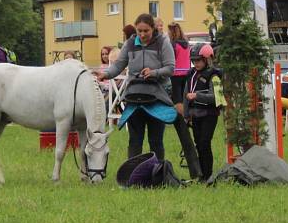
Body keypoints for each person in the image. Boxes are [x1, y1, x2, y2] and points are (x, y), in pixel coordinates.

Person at [94, 13, 176, 160]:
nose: (143, 34)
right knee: (134, 141)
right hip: (134, 97)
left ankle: (157, 174)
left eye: (146, 31)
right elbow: (119, 65)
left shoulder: (163, 42)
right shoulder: (130, 44)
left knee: (155, 141)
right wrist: (105, 74)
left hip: (157, 98)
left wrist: (154, 72)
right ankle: (132, 176)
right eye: (139, 31)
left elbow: (170, 68)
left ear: (153, 28)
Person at [184, 43, 225, 180]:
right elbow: (186, 95)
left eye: (199, 60)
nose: (196, 63)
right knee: (198, 145)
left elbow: (216, 98)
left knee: (204, 143)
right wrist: (186, 114)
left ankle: (208, 175)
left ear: (207, 60)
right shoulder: (191, 74)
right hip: (195, 115)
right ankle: (201, 174)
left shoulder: (214, 76)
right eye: (194, 61)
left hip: (209, 115)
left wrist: (197, 95)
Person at [168, 22, 191, 114]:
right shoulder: (186, 44)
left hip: (176, 74)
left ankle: (181, 118)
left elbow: (171, 60)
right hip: (187, 73)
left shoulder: (174, 45)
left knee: (177, 100)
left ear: (172, 32)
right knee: (184, 98)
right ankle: (187, 116)